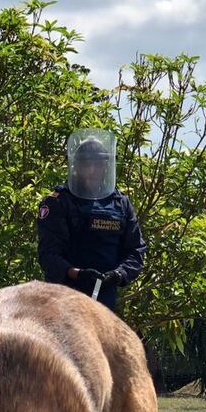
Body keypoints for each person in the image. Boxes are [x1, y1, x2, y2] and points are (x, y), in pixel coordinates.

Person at [36, 129, 146, 312]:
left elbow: (136, 250)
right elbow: (48, 254)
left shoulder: (120, 203)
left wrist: (119, 274)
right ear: (76, 165)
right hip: (64, 298)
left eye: (98, 163)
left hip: (105, 303)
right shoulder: (58, 202)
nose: (93, 169)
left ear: (106, 166)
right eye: (87, 163)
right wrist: (76, 273)